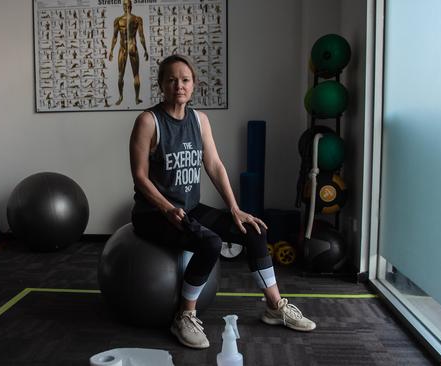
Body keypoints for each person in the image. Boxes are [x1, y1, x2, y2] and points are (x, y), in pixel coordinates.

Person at [129, 54, 316, 349]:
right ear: (161, 85)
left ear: (194, 85)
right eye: (172, 80)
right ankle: (184, 315)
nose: (179, 85)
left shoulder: (199, 120)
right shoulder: (148, 121)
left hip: (189, 208)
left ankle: (275, 306)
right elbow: (140, 177)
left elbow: (214, 165)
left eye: (185, 80)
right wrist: (165, 208)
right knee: (210, 243)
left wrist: (235, 208)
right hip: (153, 213)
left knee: (254, 230)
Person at [108, 0, 148, 105]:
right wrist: (145, 50)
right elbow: (141, 37)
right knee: (136, 75)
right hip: (132, 47)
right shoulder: (137, 19)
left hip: (123, 49)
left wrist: (111, 50)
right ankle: (136, 98)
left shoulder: (118, 20)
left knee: (120, 75)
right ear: (131, 6)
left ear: (124, 6)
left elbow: (115, 37)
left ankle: (121, 97)